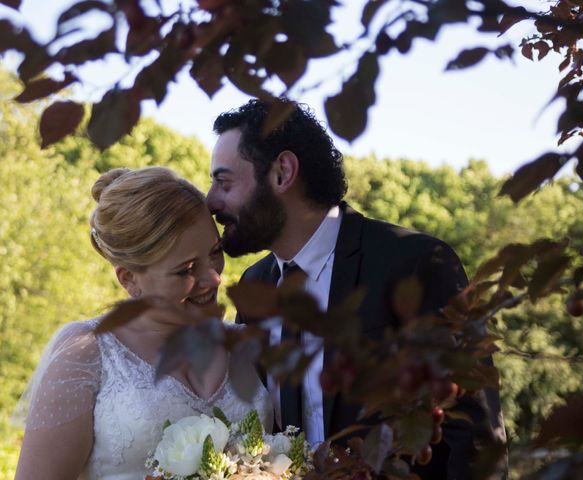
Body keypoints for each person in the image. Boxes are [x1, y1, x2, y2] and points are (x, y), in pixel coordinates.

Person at [206, 99, 507, 478]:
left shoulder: (416, 263)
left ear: (282, 172)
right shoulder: (254, 286)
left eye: (223, 181)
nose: (210, 200)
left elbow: (476, 437)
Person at [14, 167, 272, 480]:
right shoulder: (87, 352)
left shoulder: (250, 345)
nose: (214, 277)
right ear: (129, 278)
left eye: (215, 252)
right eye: (185, 270)